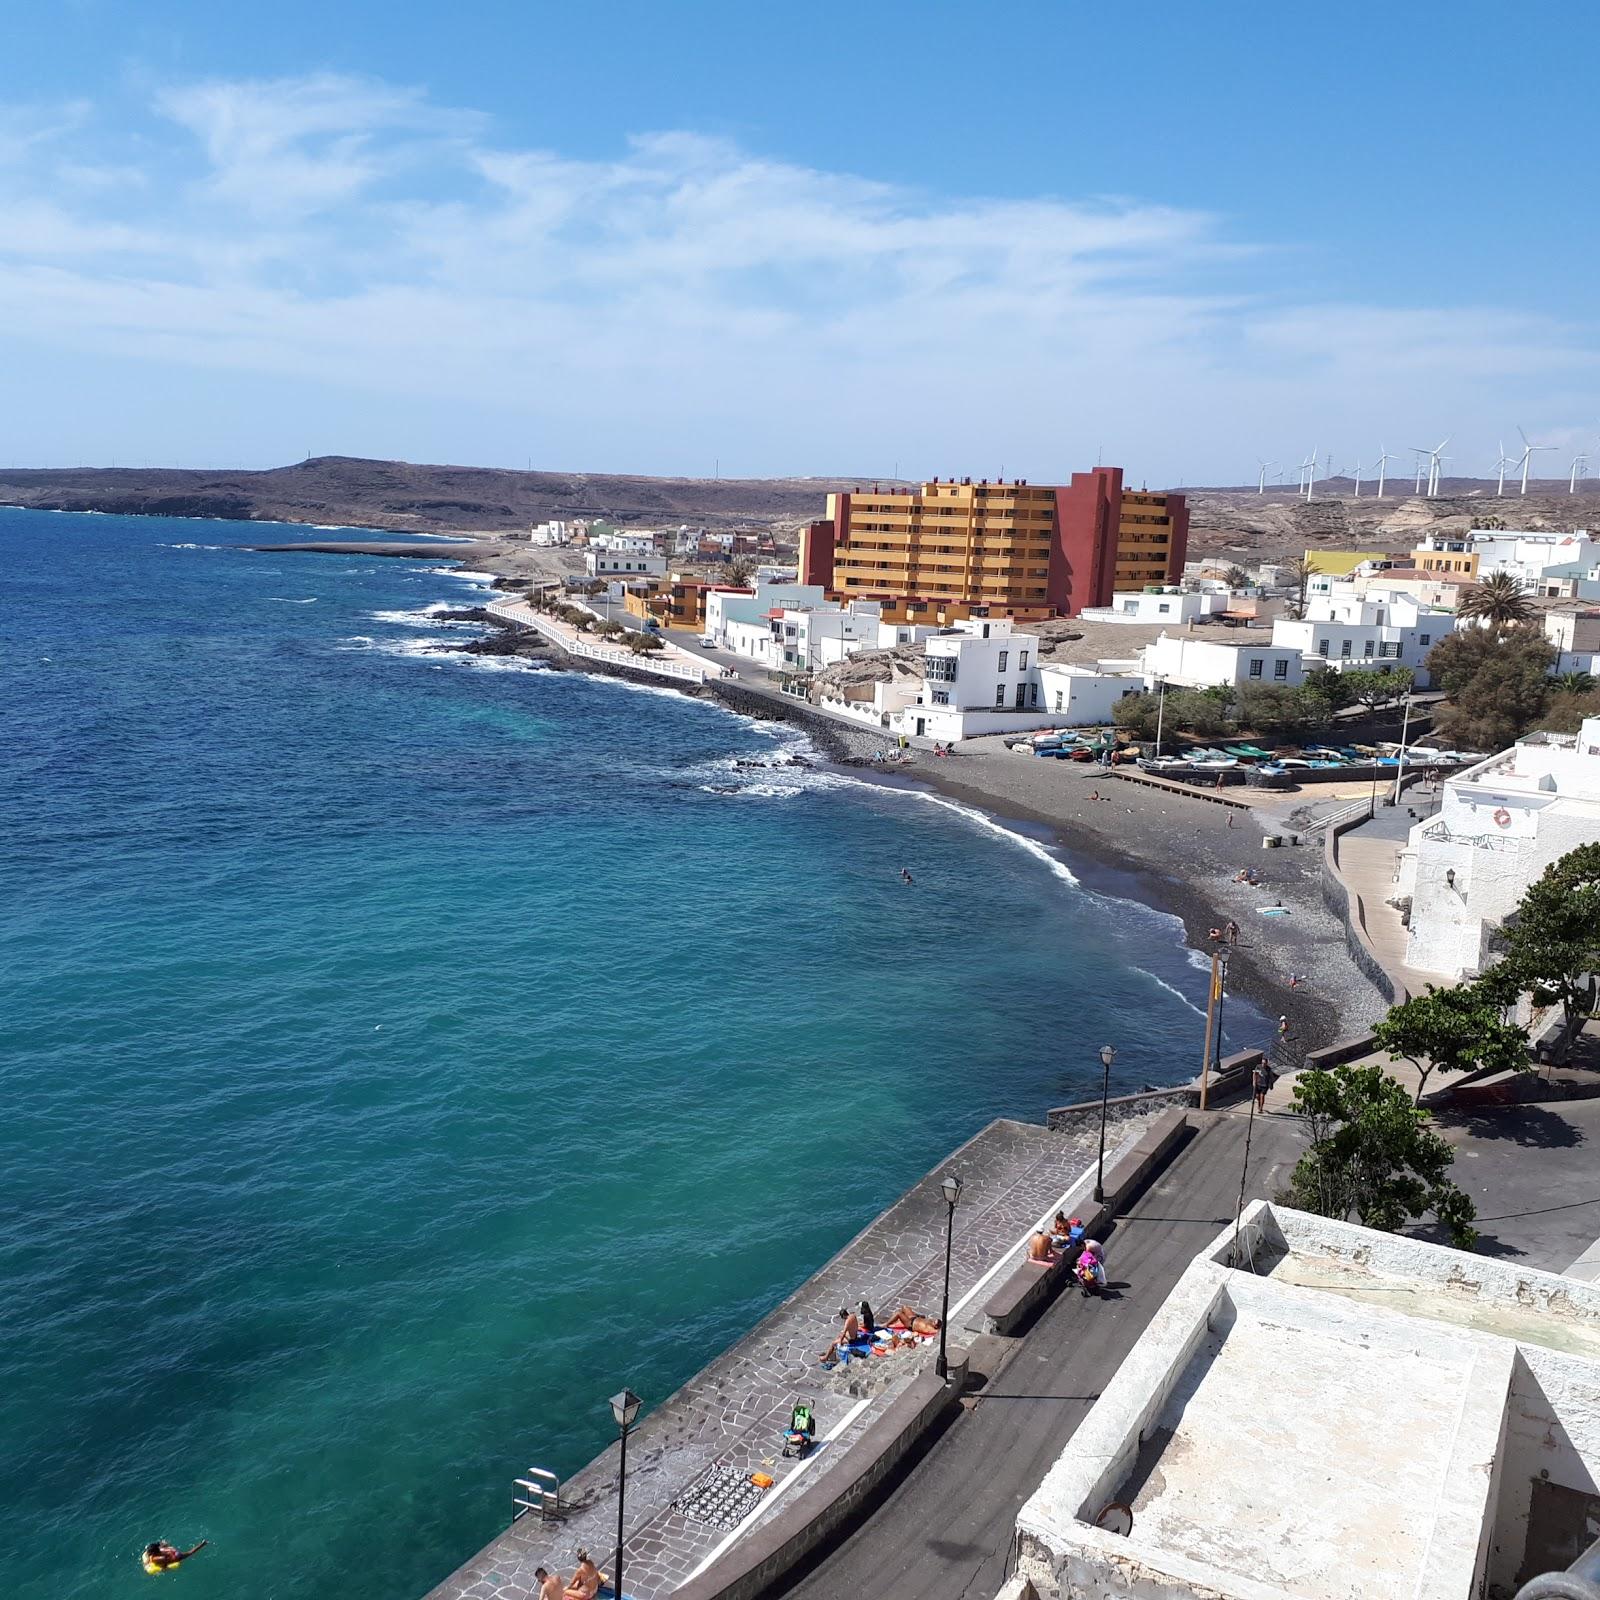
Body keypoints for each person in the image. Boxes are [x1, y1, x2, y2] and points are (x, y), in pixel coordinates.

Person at [142, 1541, 208, 1575]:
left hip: (176, 1556)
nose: (148, 1553)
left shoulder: (155, 1559)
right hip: (170, 1550)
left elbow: (164, 1566)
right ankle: (203, 1543)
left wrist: (164, 1568)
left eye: (149, 1552)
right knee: (189, 1553)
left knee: (189, 1553)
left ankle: (203, 1544)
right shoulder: (159, 1549)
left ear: (153, 1553)